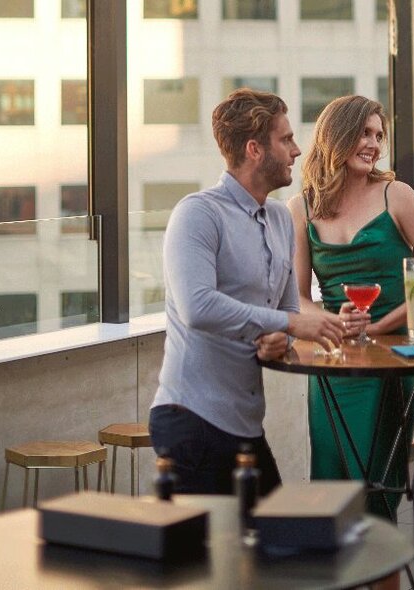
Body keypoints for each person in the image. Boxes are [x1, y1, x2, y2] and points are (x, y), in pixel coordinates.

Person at [150, 89, 344, 497]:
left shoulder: (278, 217)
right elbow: (197, 307)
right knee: (207, 559)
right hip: (192, 420)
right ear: (255, 149)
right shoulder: (197, 213)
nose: (296, 150)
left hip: (246, 425)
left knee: (272, 549)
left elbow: (288, 308)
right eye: (286, 139)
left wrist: (282, 337)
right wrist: (292, 324)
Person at [288, 95, 414, 520]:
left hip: (393, 364)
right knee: (332, 491)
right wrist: (332, 321)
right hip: (332, 368)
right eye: (365, 133)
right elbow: (297, 299)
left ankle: (382, 578)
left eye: (379, 135)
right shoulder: (301, 208)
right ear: (338, 134)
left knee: (378, 496)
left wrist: (382, 325)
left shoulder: (396, 196)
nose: (374, 143)